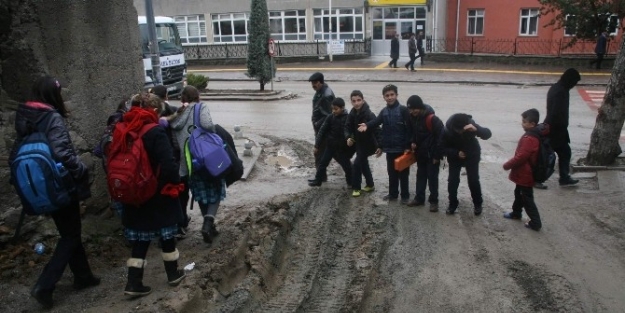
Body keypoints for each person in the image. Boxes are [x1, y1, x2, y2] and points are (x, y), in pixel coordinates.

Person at [9, 76, 98, 309]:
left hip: (40, 184)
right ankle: (45, 285)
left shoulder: (24, 115)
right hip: (61, 183)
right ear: (53, 95)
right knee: (70, 236)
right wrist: (81, 169)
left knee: (70, 231)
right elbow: (62, 153)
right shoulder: (52, 117)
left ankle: (83, 276)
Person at [115, 93, 186, 297]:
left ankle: (134, 282)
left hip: (133, 192)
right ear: (153, 111)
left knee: (141, 238)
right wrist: (174, 183)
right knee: (166, 235)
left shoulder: (123, 128)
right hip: (157, 193)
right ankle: (173, 274)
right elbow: (169, 164)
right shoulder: (154, 131)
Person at [165, 86, 225, 244]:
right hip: (206, 158)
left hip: (189, 164)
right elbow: (207, 124)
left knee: (201, 193)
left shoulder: (177, 115)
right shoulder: (201, 107)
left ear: (182, 99)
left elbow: (175, 142)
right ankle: (208, 223)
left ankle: (210, 227)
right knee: (217, 189)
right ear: (197, 96)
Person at [358, 84, 412, 204]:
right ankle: (393, 194)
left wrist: (408, 146)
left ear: (397, 95)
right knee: (392, 173)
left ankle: (405, 196)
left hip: (402, 149)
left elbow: (409, 129)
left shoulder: (403, 110)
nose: (390, 97)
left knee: (403, 174)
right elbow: (376, 122)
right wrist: (367, 125)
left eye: (392, 95)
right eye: (387, 95)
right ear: (383, 97)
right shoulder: (384, 112)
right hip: (390, 149)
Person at [151, 85, 189, 238]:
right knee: (179, 190)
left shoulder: (148, 114)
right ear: (166, 96)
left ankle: (168, 225)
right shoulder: (172, 111)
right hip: (174, 156)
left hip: (157, 160)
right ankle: (179, 223)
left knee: (164, 193)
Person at [442, 113, 492, 215]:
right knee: (452, 180)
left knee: (473, 180)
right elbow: (441, 147)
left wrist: (477, 130)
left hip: (472, 153)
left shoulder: (471, 124)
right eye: (458, 130)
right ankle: (452, 204)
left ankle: (478, 204)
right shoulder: (447, 130)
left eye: (463, 130)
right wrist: (456, 153)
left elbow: (488, 134)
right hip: (455, 156)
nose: (461, 132)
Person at [502, 108, 543, 231]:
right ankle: (516, 213)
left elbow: (521, 157)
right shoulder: (534, 135)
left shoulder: (529, 139)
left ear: (532, 124)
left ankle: (536, 223)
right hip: (524, 173)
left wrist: (507, 165)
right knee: (519, 194)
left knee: (526, 198)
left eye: (525, 122)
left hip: (526, 173)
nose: (522, 123)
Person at [539, 68, 581, 188]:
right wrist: (555, 129)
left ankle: (563, 177)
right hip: (555, 130)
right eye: (575, 82)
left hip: (556, 129)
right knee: (548, 156)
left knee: (561, 153)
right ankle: (539, 177)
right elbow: (556, 113)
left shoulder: (558, 88)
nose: (574, 85)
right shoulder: (560, 91)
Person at [406, 95, 444, 212]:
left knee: (432, 179)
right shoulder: (412, 117)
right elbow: (412, 133)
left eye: (414, 109)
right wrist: (412, 142)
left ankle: (434, 202)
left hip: (432, 155)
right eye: (410, 109)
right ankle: (419, 198)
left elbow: (442, 138)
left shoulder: (432, 119)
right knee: (420, 177)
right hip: (421, 154)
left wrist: (437, 156)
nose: (413, 112)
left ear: (420, 107)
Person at [308, 97, 353, 187]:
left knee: (347, 166)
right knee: (322, 163)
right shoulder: (330, 117)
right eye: (332, 109)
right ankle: (318, 180)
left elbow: (351, 132)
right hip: (330, 146)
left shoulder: (348, 118)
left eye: (336, 109)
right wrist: (317, 146)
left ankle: (351, 183)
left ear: (342, 108)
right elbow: (322, 131)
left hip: (341, 148)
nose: (333, 111)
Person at [345, 90, 380, 197]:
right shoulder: (352, 113)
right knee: (363, 164)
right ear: (351, 102)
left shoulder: (369, 114)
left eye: (359, 100)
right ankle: (370, 184)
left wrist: (380, 146)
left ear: (363, 100)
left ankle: (356, 188)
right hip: (359, 144)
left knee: (356, 164)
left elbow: (377, 130)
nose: (356, 103)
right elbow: (347, 127)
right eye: (354, 101)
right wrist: (348, 137)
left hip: (369, 144)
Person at [309, 72, 335, 182]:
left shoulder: (326, 95)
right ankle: (321, 176)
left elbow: (329, 115)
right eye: (312, 83)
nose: (313, 85)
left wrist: (318, 124)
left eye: (315, 83)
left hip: (324, 130)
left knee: (319, 153)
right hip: (320, 129)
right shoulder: (320, 92)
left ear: (320, 82)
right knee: (329, 154)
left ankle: (320, 178)